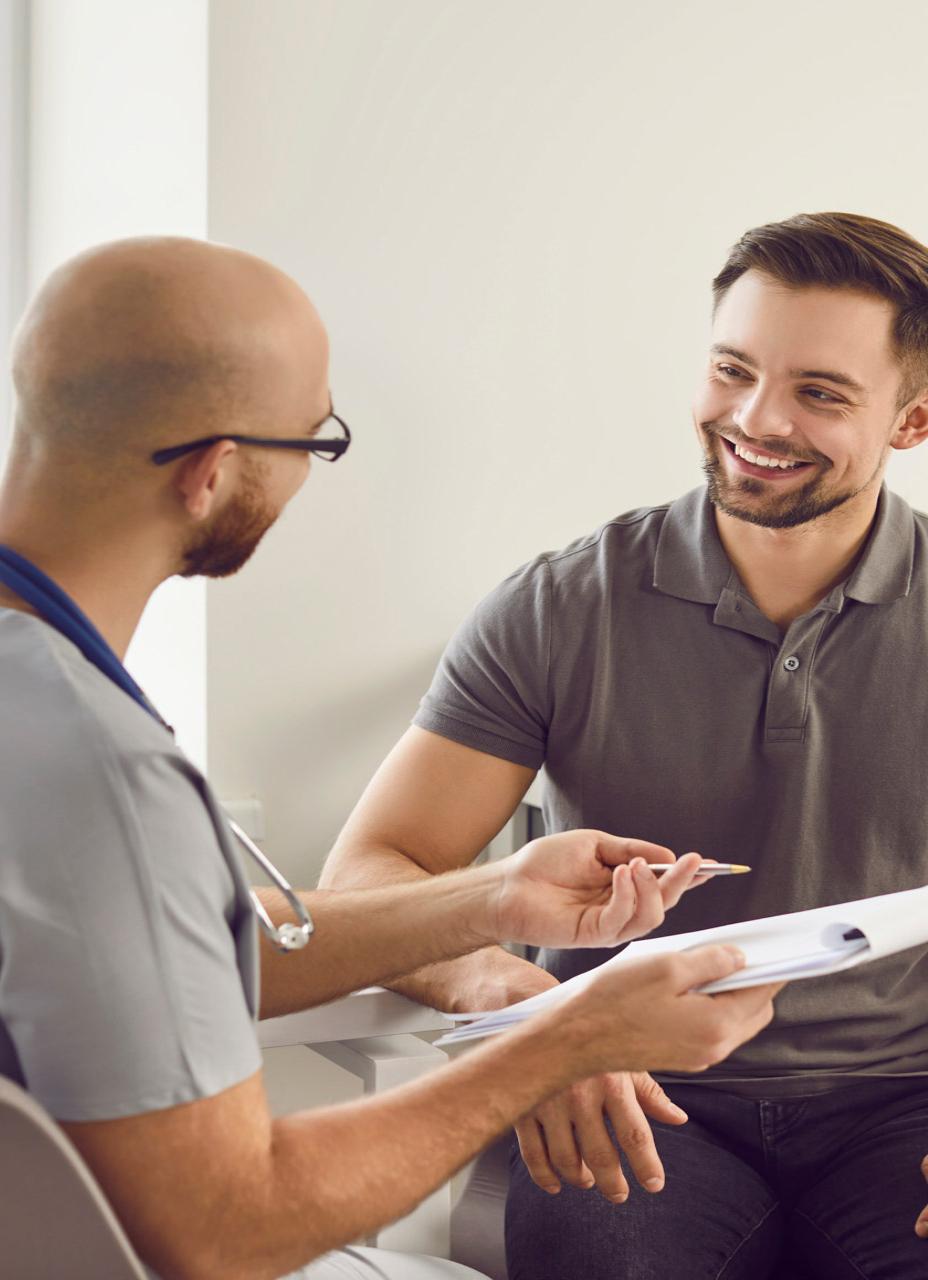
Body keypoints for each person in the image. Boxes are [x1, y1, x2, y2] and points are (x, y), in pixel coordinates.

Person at [0, 236, 781, 1280]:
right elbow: (225, 1227)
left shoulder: (44, 706)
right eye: (317, 440)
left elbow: (166, 954)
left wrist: (492, 898)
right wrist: (564, 1038)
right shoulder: (100, 769)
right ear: (211, 470)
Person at [320, 211, 928, 1279]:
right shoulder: (557, 607)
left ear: (912, 418)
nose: (754, 418)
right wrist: (534, 1015)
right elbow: (375, 872)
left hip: (900, 1104)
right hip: (629, 1087)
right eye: (731, 369)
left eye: (818, 392)